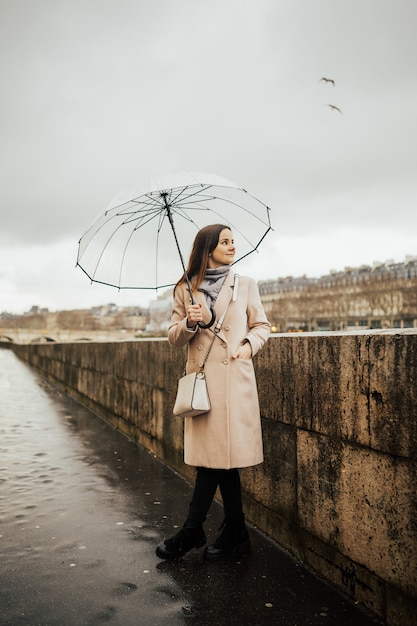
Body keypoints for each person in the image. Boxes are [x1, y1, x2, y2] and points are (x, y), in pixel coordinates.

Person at [155, 224, 270, 561]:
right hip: (204, 386)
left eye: (234, 241)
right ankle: (235, 532)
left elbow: (261, 326)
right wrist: (190, 322)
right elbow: (174, 337)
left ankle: (194, 531)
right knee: (219, 460)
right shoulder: (185, 290)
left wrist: (248, 346)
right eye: (225, 242)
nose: (233, 246)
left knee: (217, 460)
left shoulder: (245, 285)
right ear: (207, 248)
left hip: (234, 382)